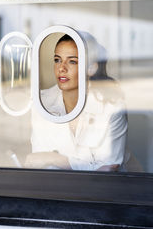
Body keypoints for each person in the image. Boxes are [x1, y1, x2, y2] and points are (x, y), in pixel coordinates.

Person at [24, 32, 129, 171]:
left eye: (72, 61)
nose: (62, 68)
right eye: (57, 60)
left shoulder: (111, 107)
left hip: (103, 191)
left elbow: (108, 168)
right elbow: (39, 164)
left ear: (91, 68)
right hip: (56, 189)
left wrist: (55, 159)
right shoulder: (42, 102)